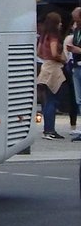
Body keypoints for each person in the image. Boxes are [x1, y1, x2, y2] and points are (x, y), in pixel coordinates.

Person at [36, 11, 67, 140]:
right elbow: (54, 53)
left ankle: (47, 130)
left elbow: (38, 52)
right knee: (53, 100)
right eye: (59, 22)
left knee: (48, 99)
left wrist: (46, 57)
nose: (61, 24)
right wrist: (62, 59)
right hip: (53, 68)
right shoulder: (53, 36)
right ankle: (50, 130)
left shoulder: (43, 36)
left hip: (45, 67)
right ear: (55, 23)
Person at [66, 7, 81, 140]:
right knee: (78, 100)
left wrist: (77, 50)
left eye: (77, 19)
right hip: (76, 67)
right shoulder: (76, 31)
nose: (75, 22)